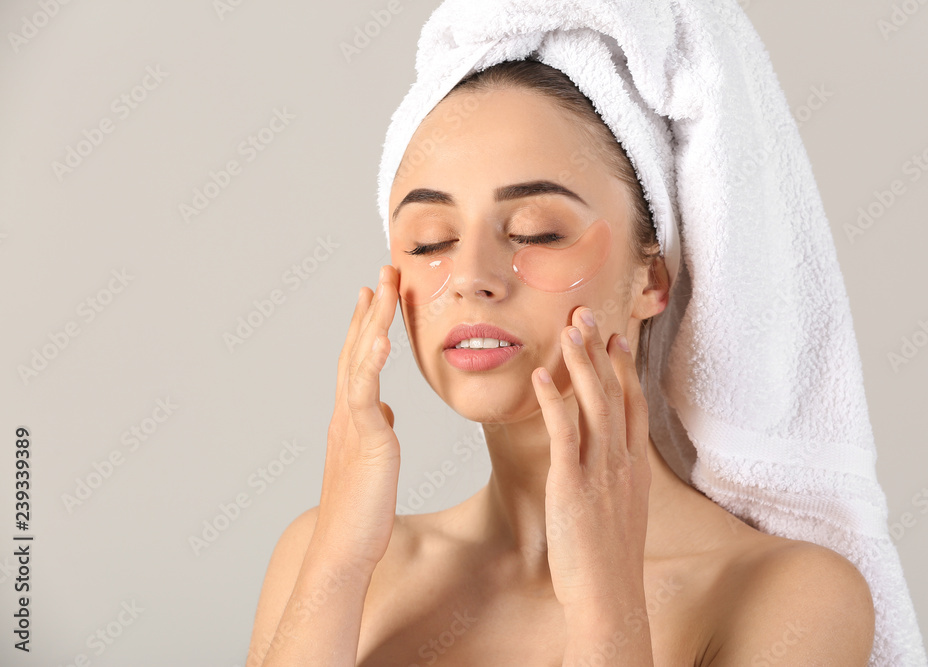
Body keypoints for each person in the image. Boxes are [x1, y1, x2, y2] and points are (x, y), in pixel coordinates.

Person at [246, 59, 876, 666]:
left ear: (651, 278)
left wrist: (607, 607)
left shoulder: (791, 596)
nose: (470, 278)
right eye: (429, 240)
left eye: (537, 231)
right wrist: (340, 564)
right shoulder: (327, 556)